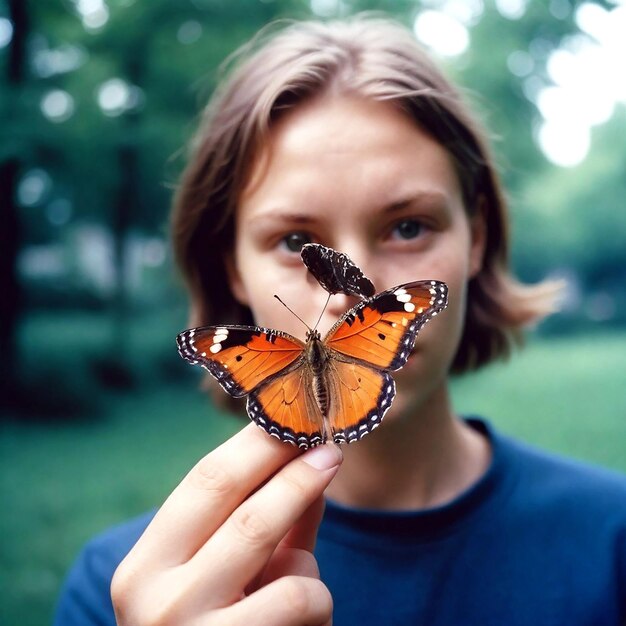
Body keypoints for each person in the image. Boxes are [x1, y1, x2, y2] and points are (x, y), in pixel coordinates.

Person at [54, 16, 626, 626]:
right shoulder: (124, 594)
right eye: (297, 241)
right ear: (233, 268)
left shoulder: (612, 539)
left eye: (408, 227)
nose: (352, 295)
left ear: (476, 238)